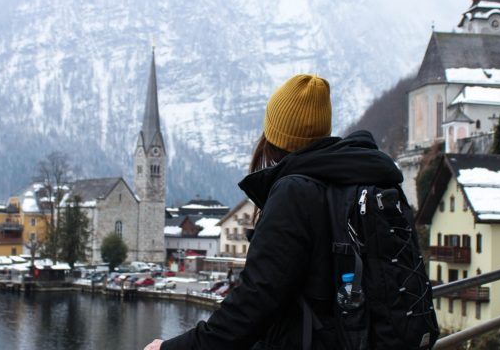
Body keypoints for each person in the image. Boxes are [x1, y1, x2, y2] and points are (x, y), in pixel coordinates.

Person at [144, 74, 404, 350]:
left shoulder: (295, 193)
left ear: (275, 135)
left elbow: (251, 305)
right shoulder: (364, 180)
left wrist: (169, 348)